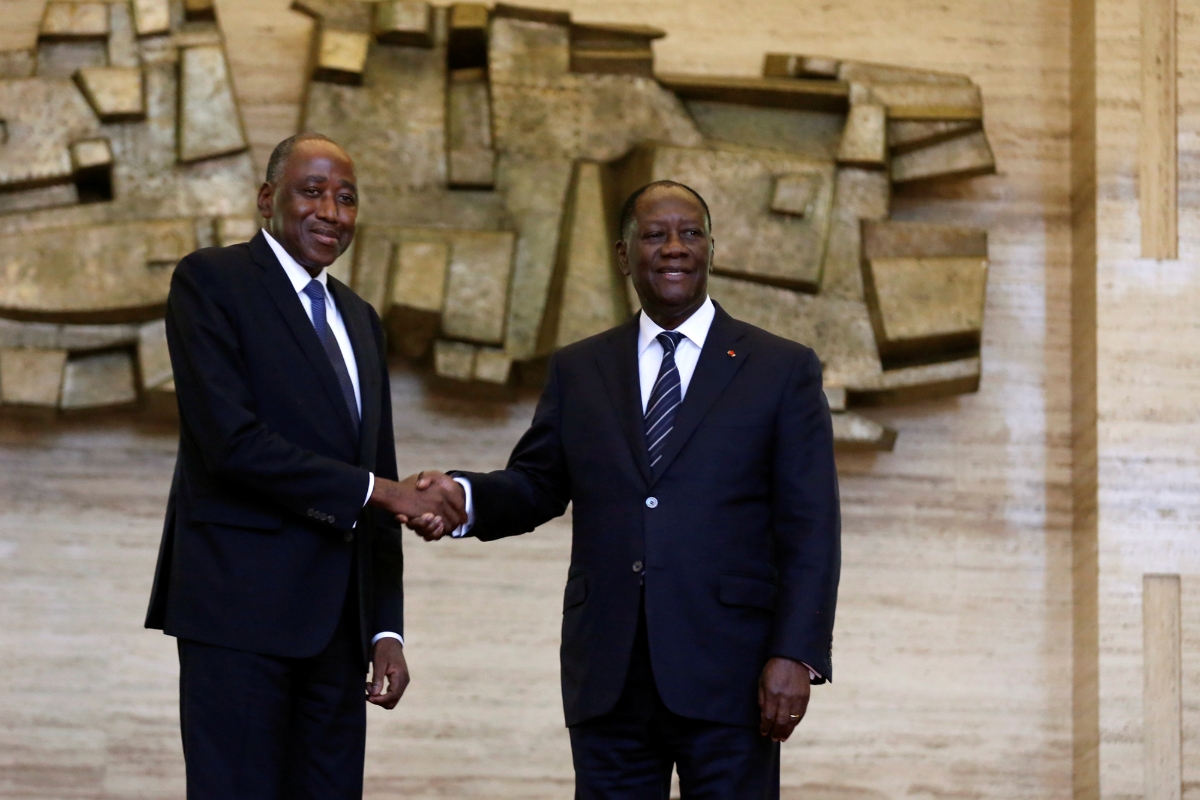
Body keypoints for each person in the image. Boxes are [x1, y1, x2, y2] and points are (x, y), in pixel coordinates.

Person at [411, 181, 841, 798]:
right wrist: (464, 498)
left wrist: (796, 654)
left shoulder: (780, 368)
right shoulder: (580, 368)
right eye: (654, 234)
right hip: (609, 675)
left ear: (711, 249)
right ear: (623, 255)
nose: (674, 247)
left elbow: (811, 527)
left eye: (690, 233)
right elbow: (537, 484)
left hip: (732, 673)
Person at [144, 132, 465, 799]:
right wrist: (384, 493)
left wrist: (385, 628)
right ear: (268, 200)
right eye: (311, 192)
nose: (331, 211)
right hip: (237, 615)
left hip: (338, 631)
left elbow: (380, 471)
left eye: (347, 198)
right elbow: (231, 442)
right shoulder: (212, 281)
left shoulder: (361, 320)